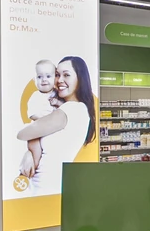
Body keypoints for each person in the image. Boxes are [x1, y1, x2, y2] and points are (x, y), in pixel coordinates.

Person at [15, 56, 97, 191]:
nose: (59, 80)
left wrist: (29, 154)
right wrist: (29, 154)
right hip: (42, 185)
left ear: (80, 79)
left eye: (66, 75)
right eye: (57, 75)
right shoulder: (61, 107)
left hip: (46, 186)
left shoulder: (72, 109)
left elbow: (22, 134)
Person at [19, 59, 58, 182]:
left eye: (48, 76)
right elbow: (32, 114)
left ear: (55, 78)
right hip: (35, 132)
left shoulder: (57, 95)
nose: (44, 80)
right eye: (39, 77)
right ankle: (30, 172)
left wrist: (57, 103)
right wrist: (46, 119)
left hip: (48, 130)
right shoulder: (36, 95)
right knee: (35, 152)